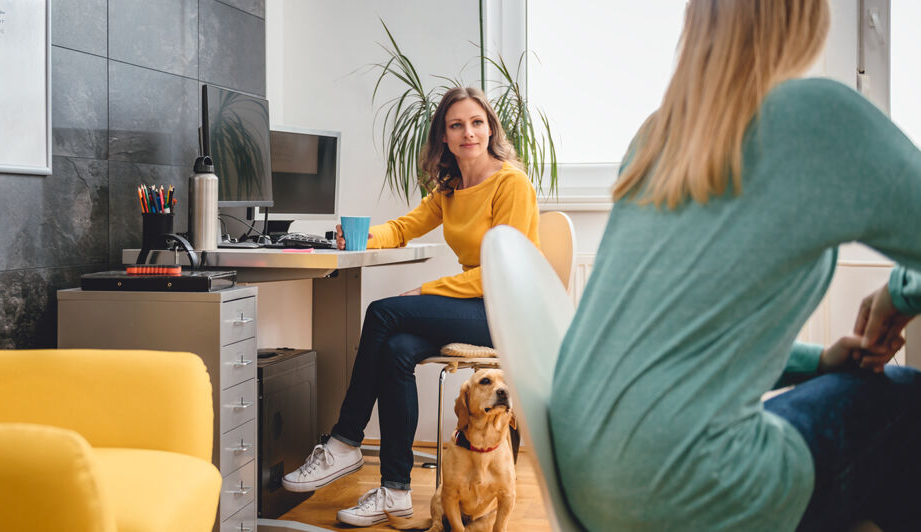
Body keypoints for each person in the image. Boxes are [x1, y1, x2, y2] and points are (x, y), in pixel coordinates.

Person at [548, 0, 921, 530]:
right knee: (904, 402)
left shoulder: (657, 136)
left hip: (591, 483)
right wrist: (897, 296)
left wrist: (818, 361)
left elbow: (679, 336)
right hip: (687, 488)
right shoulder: (818, 118)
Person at [280, 86, 540, 527]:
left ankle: (345, 441)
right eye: (456, 125)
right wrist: (359, 238)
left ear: (490, 128)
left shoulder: (510, 183)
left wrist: (429, 289)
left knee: (384, 312)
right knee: (397, 349)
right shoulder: (452, 188)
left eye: (476, 123)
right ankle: (396, 491)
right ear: (443, 136)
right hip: (470, 304)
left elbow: (506, 272)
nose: (468, 133)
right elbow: (405, 226)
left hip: (507, 312)